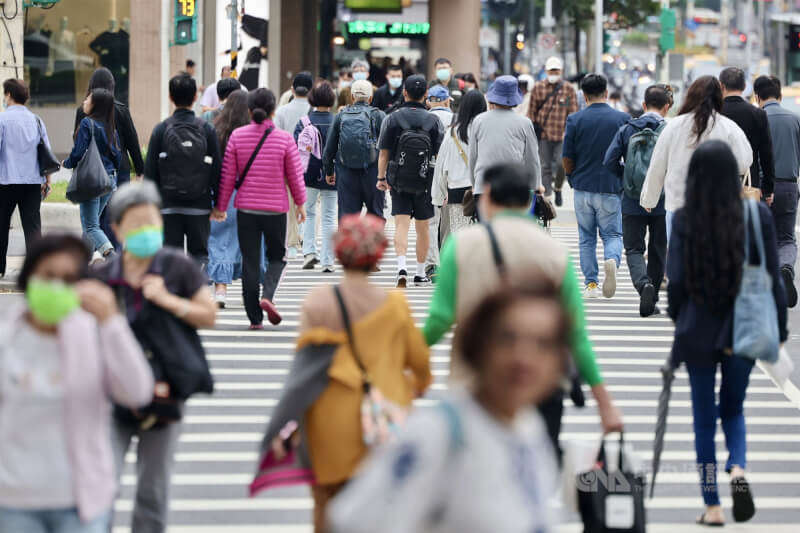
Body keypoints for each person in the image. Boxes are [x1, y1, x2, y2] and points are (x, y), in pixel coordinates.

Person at [329, 282, 572, 533]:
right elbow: (358, 521)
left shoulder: (528, 427)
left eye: (544, 344)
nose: (524, 358)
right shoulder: (438, 432)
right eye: (507, 339)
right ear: (479, 347)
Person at [424, 162, 623, 446]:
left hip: (476, 387)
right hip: (540, 386)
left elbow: (440, 319)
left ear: (487, 195)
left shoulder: (461, 245)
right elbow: (575, 334)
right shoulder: (554, 253)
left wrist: (399, 356)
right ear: (529, 200)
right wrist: (605, 404)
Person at [258, 214, 431, 533]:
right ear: (378, 255)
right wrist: (412, 387)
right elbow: (420, 365)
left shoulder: (318, 302)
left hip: (329, 423)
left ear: (339, 252)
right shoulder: (395, 305)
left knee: (326, 505)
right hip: (382, 425)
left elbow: (303, 374)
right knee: (381, 510)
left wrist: (281, 430)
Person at [666, 141, 787, 526]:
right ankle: (737, 468)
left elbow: (676, 281)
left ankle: (712, 505)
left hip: (699, 329)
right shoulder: (756, 214)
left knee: (704, 420)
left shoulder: (685, 219)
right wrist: (780, 328)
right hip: (744, 328)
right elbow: (772, 276)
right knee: (733, 409)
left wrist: (679, 320)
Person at [0, 234, 153, 533]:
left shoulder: (95, 333)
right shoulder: (7, 339)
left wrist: (112, 321)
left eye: (69, 279)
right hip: (13, 500)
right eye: (48, 276)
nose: (57, 286)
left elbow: (137, 392)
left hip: (82, 502)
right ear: (29, 279)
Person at [91, 181, 217, 533]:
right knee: (102, 483)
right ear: (117, 230)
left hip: (165, 392)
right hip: (111, 394)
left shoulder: (177, 266)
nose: (148, 230)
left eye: (153, 222)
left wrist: (168, 300)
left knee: (153, 490)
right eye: (138, 224)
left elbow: (208, 315)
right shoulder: (103, 276)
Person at [213, 88, 307, 329]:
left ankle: (254, 318)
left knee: (250, 260)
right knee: (276, 256)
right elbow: (295, 176)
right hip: (276, 209)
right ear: (274, 111)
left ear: (249, 110)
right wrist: (300, 204)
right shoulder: (284, 139)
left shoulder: (237, 137)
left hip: (246, 209)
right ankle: (268, 296)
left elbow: (228, 177)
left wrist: (221, 207)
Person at [640, 76, 753, 240]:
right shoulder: (728, 127)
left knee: (678, 254)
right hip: (716, 206)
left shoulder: (673, 126)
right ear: (718, 98)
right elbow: (743, 163)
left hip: (678, 204)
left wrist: (649, 199)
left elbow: (658, 164)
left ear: (691, 95)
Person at [603, 85, 672, 316]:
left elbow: (609, 160)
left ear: (643, 105)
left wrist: (626, 178)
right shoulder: (669, 131)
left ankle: (643, 285)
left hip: (633, 199)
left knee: (633, 248)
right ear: (667, 107)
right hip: (662, 200)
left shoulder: (627, 129)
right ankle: (653, 299)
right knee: (658, 249)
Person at [144, 73, 222, 268]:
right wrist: (218, 204)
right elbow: (217, 170)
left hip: (168, 205)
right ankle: (198, 285)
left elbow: (150, 172)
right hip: (200, 204)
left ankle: (174, 287)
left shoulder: (161, 129)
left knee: (171, 257)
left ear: (170, 97)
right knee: (200, 255)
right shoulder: (206, 129)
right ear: (195, 97)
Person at [562, 74, 629, 298]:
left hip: (583, 187)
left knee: (586, 237)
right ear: (606, 93)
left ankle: (591, 284)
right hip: (610, 187)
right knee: (613, 235)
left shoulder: (574, 119)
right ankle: (612, 260)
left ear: (584, 95)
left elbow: (567, 156)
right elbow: (628, 155)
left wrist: (571, 178)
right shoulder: (622, 119)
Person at [377, 75, 445, 287]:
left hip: (398, 180)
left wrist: (381, 178)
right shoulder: (434, 121)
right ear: (426, 94)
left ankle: (401, 267)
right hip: (425, 182)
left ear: (404, 92)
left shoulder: (392, 118)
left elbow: (383, 153)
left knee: (401, 225)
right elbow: (440, 156)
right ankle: (420, 272)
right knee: (423, 228)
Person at [74, 68, 146, 251]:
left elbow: (77, 143)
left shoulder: (83, 110)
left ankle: (88, 259)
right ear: (111, 86)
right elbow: (133, 143)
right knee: (115, 218)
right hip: (119, 171)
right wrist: (140, 170)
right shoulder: (121, 109)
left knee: (91, 220)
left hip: (91, 172)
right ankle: (115, 259)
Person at [754, 75, 800, 308]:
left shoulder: (757, 118)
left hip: (761, 187)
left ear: (757, 97)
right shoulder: (795, 119)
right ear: (780, 95)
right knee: (786, 238)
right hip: (789, 186)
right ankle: (786, 268)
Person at [0, 79, 53, 277]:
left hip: (5, 181)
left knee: (1, 226)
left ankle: (0, 269)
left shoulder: (2, 120)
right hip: (32, 183)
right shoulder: (37, 121)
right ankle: (37, 270)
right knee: (32, 228)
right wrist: (47, 180)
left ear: (9, 95)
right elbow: (45, 153)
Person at [469, 75, 542, 215]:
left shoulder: (479, 121)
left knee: (486, 227)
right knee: (512, 226)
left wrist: (474, 183)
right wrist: (534, 186)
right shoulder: (525, 123)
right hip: (514, 186)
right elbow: (532, 160)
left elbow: (473, 157)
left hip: (484, 186)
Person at [63, 88, 122, 260]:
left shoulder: (87, 123)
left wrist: (67, 163)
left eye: (88, 99)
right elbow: (118, 157)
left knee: (91, 226)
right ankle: (85, 261)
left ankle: (112, 258)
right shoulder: (111, 128)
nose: (84, 101)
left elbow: (78, 152)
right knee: (92, 224)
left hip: (92, 181)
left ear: (95, 104)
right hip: (109, 180)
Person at [207, 90, 253, 307]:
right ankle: (253, 291)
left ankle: (220, 290)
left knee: (219, 241)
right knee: (244, 243)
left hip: (221, 193)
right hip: (247, 195)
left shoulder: (216, 131)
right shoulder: (251, 134)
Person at [323, 80, 385, 220]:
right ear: (370, 98)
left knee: (347, 219)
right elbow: (388, 147)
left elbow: (329, 149)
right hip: (373, 172)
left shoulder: (340, 116)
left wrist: (329, 171)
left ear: (352, 97)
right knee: (375, 217)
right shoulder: (379, 115)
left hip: (346, 173)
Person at [431, 89, 486, 247]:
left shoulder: (453, 132)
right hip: (484, 191)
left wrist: (438, 196)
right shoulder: (487, 130)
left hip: (457, 193)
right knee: (482, 240)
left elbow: (441, 166)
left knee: (460, 239)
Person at [294, 81, 337, 272]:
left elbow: (295, 148)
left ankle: (309, 252)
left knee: (309, 212)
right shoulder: (337, 120)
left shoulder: (304, 122)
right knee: (328, 216)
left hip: (308, 174)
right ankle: (327, 260)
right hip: (332, 174)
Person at [720, 67, 775, 206]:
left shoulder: (714, 113)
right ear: (744, 86)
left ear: (721, 86)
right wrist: (768, 189)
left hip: (718, 183)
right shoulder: (758, 114)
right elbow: (766, 154)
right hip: (750, 182)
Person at [530, 56, 579, 206]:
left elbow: (573, 113)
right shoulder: (538, 88)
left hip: (562, 135)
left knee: (561, 164)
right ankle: (548, 196)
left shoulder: (568, 89)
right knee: (544, 166)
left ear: (561, 71)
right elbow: (531, 112)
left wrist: (570, 133)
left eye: (556, 71)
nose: (553, 74)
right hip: (544, 135)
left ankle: (558, 188)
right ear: (546, 71)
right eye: (551, 71)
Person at [275, 71, 313, 259]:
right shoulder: (315, 111)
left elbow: (275, 138)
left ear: (292, 90)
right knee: (311, 202)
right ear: (311, 90)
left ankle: (291, 244)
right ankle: (306, 235)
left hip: (287, 162)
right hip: (311, 162)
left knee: (290, 203)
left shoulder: (281, 111)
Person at [423, 84, 455, 278]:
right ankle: (447, 261)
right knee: (449, 219)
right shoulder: (455, 120)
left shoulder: (424, 119)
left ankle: (431, 263)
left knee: (431, 220)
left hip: (428, 172)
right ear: (446, 101)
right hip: (451, 173)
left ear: (429, 102)